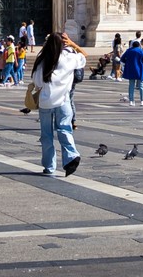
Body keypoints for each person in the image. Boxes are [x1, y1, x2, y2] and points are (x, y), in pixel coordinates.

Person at [31, 31, 85, 178]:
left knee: (46, 136)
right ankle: (72, 156)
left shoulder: (42, 60)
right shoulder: (69, 58)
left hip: (46, 103)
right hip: (64, 101)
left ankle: (49, 167)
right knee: (65, 130)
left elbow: (37, 83)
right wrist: (73, 44)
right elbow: (83, 56)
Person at [120, 37, 143, 107]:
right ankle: (142, 101)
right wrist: (142, 62)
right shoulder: (140, 50)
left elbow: (122, 59)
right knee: (141, 85)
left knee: (131, 85)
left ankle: (131, 101)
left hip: (131, 69)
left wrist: (127, 63)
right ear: (139, 45)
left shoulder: (128, 51)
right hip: (139, 69)